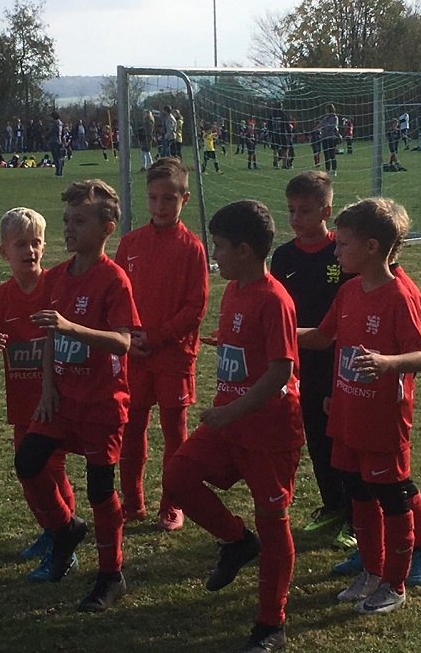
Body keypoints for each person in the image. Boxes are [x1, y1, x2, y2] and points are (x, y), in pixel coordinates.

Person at [163, 199, 302, 653]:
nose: (214, 254)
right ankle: (237, 540)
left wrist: (230, 411)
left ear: (244, 250)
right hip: (230, 423)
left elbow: (280, 371)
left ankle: (271, 624)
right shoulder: (234, 290)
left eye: (219, 247)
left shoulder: (274, 298)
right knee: (178, 476)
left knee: (274, 522)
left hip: (268, 432)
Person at [297, 197, 421, 615]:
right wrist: (272, 330)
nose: (335, 252)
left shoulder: (399, 296)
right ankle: (372, 571)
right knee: (358, 495)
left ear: (372, 247)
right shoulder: (349, 290)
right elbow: (322, 337)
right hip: (347, 412)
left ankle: (395, 584)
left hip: (383, 419)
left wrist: (386, 363)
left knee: (391, 499)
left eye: (342, 244)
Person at [13, 179, 139, 612]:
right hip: (63, 400)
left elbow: (123, 342)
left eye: (79, 221)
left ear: (106, 228)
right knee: (28, 461)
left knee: (100, 490)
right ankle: (66, 529)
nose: (68, 228)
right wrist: (48, 388)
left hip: (102, 403)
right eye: (66, 220)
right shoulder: (57, 277)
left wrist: (72, 327)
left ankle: (111, 575)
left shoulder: (114, 279)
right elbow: (50, 335)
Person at [0, 208, 78, 580]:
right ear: (4, 252)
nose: (30, 250)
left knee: (51, 468)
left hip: (53, 399)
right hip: (22, 400)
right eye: (21, 244)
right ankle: (53, 529)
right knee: (29, 476)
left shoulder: (55, 286)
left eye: (36, 243)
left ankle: (64, 538)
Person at [115, 158, 208, 531]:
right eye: (153, 198)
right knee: (131, 428)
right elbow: (117, 296)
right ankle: (132, 502)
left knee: (175, 433)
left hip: (173, 356)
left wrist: (157, 337)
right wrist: (128, 337)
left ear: (184, 199)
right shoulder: (131, 243)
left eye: (169, 199)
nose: (160, 206)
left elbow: (195, 308)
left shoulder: (192, 247)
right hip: (135, 354)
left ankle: (172, 504)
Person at [270, 172, 354, 547]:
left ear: (326, 211)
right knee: (315, 433)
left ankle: (356, 513)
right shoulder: (284, 256)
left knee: (343, 436)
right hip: (299, 358)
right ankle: (333, 503)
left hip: (337, 358)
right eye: (291, 210)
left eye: (305, 210)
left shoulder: (342, 252)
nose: (296, 218)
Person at [48, 111, 65, 178]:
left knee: (56, 157)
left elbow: (51, 132)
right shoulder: (61, 123)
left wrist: (46, 134)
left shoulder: (55, 123)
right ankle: (60, 172)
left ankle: (58, 173)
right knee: (60, 157)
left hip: (54, 141)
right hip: (59, 141)